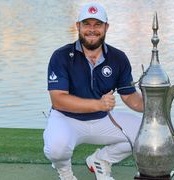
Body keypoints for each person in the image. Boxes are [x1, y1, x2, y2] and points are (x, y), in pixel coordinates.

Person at [43, 2, 144, 180]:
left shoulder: (118, 58)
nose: (92, 30)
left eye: (97, 24)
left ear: (106, 27)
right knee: (56, 148)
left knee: (145, 135)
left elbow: (129, 97)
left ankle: (100, 161)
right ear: (78, 26)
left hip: (102, 120)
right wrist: (98, 104)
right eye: (86, 24)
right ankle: (65, 172)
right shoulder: (61, 56)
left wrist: (156, 105)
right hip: (66, 118)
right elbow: (58, 100)